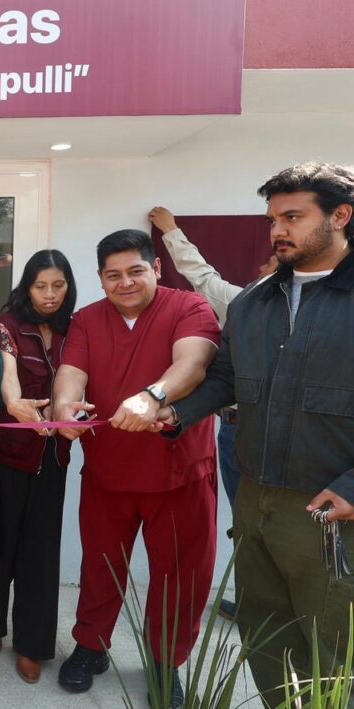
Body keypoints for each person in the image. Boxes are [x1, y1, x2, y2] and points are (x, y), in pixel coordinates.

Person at [164, 162, 354, 708]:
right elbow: (225, 377)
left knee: (332, 652)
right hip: (255, 503)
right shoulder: (254, 301)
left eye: (293, 217)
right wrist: (174, 414)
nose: (278, 231)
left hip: (330, 511)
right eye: (273, 219)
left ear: (341, 216)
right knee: (265, 635)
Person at [52, 230, 220, 705]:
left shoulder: (188, 307)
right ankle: (91, 646)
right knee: (100, 565)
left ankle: (165, 662)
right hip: (108, 471)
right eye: (113, 275)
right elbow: (72, 373)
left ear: (156, 268)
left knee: (180, 575)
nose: (124, 283)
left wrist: (153, 395)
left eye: (135, 271)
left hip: (179, 471)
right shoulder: (87, 320)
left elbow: (194, 364)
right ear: (100, 278)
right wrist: (64, 407)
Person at [149, 206, 278, 619]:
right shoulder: (243, 303)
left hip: (277, 434)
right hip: (233, 429)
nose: (262, 266)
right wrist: (175, 412)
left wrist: (172, 231)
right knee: (245, 519)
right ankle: (252, 605)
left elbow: (201, 275)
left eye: (269, 263)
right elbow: (222, 378)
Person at [0, 250, 78, 684]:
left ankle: (33, 644)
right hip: (8, 455)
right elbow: (7, 377)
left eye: (58, 285)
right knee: (1, 546)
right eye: (40, 286)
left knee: (41, 553)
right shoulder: (6, 327)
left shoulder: (77, 329)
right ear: (27, 287)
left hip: (53, 456)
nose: (49, 294)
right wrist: (16, 405)